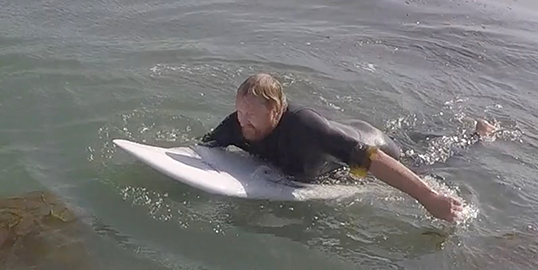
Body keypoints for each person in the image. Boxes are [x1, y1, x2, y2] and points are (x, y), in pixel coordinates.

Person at [200, 73, 471, 222]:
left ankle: (475, 136)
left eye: (250, 115)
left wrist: (429, 198)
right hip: (343, 135)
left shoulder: (305, 129)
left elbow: (371, 158)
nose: (242, 122)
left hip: (376, 146)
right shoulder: (236, 125)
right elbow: (205, 146)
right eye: (239, 112)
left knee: (433, 159)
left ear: (275, 110)